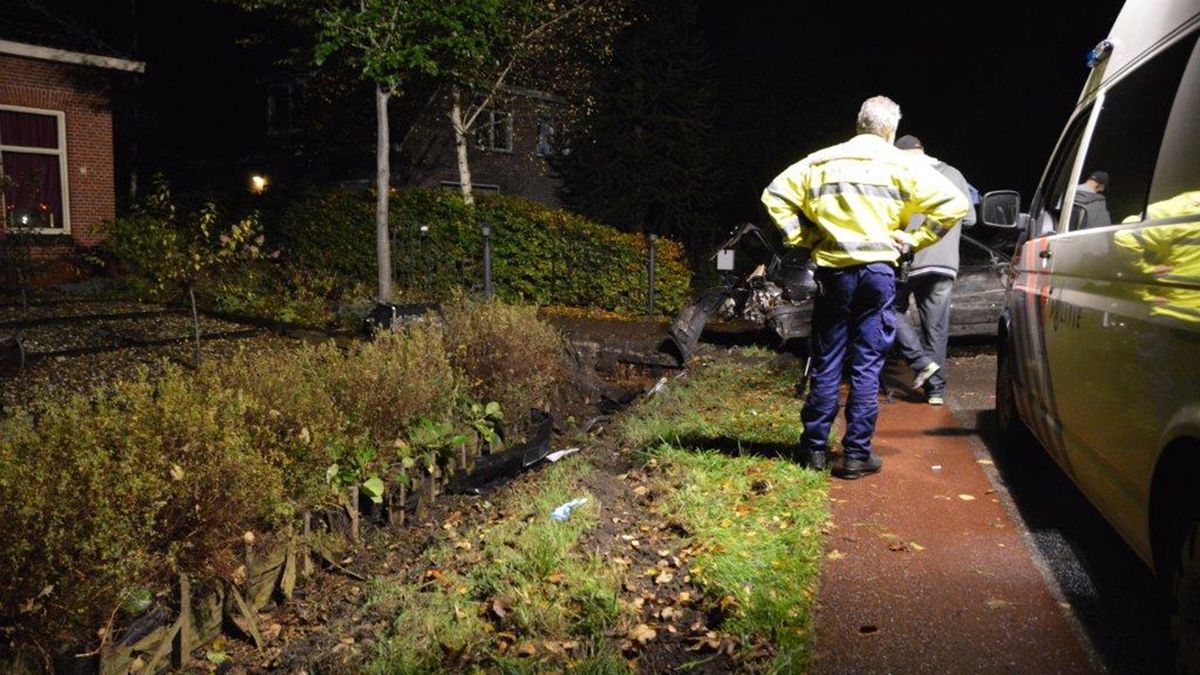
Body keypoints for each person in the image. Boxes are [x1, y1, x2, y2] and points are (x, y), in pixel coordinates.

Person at [760, 96, 969, 479]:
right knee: (867, 363)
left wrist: (802, 237)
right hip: (877, 273)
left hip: (833, 273)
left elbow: (774, 194)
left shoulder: (821, 160)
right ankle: (856, 455)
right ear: (890, 130)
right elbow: (955, 204)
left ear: (859, 123)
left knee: (827, 361)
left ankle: (814, 450)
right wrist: (915, 239)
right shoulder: (900, 164)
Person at [891, 134, 977, 405]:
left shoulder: (900, 173)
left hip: (909, 260)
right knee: (936, 329)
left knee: (889, 309)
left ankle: (920, 362)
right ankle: (935, 392)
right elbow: (971, 218)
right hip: (945, 262)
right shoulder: (953, 174)